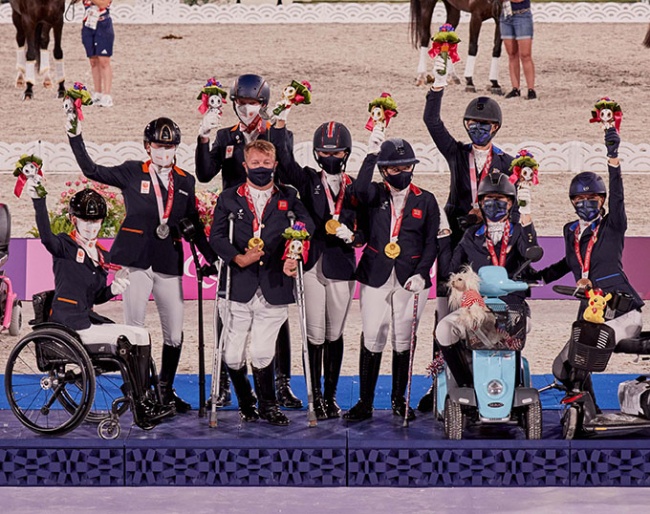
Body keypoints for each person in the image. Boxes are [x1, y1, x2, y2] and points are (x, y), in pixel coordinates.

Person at [65, 106, 217, 414]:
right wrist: (74, 134)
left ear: (177, 147)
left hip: (168, 259)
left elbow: (194, 224)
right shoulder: (132, 170)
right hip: (134, 260)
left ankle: (165, 389)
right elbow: (92, 170)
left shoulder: (186, 181)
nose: (165, 151)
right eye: (159, 146)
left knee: (174, 331)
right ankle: (138, 389)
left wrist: (212, 256)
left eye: (170, 146)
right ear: (148, 146)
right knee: (135, 328)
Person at [25, 183, 173, 428]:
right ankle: (141, 407)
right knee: (127, 339)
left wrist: (113, 289)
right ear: (74, 220)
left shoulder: (101, 255)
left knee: (142, 334)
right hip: (69, 323)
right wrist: (38, 198)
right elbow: (45, 237)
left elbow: (95, 297)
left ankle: (147, 400)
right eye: (85, 221)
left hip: (87, 317)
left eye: (96, 222)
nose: (91, 227)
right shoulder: (64, 246)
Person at [195, 73, 302, 410]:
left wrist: (281, 126)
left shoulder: (278, 131)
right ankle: (225, 381)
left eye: (252, 103)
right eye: (240, 103)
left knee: (274, 306)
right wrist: (203, 134)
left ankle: (281, 383)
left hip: (271, 224)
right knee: (229, 307)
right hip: (235, 225)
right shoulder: (226, 135)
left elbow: (289, 168)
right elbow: (204, 173)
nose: (245, 108)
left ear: (264, 104)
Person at [418, 61, 516, 411]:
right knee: (445, 312)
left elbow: (512, 208)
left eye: (485, 125)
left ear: (496, 128)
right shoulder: (456, 152)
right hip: (454, 238)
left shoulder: (507, 163)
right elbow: (432, 123)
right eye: (472, 124)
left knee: (488, 312)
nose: (478, 129)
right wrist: (438, 84)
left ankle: (489, 379)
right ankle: (437, 384)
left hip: (485, 244)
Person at [271, 120, 375, 419]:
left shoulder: (356, 187)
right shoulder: (307, 180)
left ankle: (330, 395)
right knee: (314, 334)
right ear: (316, 154)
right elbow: (285, 159)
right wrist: (280, 124)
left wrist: (354, 237)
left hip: (342, 265)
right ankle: (314, 395)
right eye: (324, 152)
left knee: (335, 333)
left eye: (337, 152)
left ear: (347, 153)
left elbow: (366, 230)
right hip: (311, 264)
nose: (331, 157)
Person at [209, 139, 315, 426]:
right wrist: (237, 258)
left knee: (261, 351)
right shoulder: (230, 198)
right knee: (231, 354)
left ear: (275, 165)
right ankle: (246, 400)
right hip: (237, 284)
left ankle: (268, 405)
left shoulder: (289, 197)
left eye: (266, 164)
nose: (261, 168)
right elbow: (216, 237)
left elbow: (306, 228)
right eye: (255, 164)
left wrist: (295, 255)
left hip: (274, 284)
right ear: (245, 165)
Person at [535, 128, 643, 392]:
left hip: (621, 310)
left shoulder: (613, 225)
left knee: (588, 350)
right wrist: (538, 277)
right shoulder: (569, 229)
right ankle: (584, 408)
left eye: (592, 199)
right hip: (589, 309)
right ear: (572, 202)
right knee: (564, 367)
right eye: (580, 199)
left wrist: (613, 159)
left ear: (602, 200)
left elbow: (619, 197)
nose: (585, 203)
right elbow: (568, 262)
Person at [343, 137, 440, 422]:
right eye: (395, 169)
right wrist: (371, 155)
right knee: (373, 334)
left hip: (412, 279)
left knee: (403, 337)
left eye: (407, 167)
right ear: (384, 171)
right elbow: (357, 190)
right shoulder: (373, 194)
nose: (402, 173)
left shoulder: (426, 199)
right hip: (376, 274)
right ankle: (365, 402)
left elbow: (431, 242)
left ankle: (400, 400)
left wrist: (423, 273)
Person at [436, 171, 537, 387]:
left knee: (520, 327)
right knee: (443, 330)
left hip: (510, 306)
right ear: (481, 203)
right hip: (476, 307)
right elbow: (451, 270)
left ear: (510, 204)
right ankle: (465, 382)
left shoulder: (519, 232)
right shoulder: (471, 235)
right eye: (489, 201)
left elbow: (530, 250)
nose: (494, 205)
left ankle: (515, 384)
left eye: (500, 201)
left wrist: (527, 216)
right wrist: (444, 237)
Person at [500, 0, 536, 100]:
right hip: (506, 14)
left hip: (522, 15)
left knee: (525, 54)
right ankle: (515, 87)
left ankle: (531, 89)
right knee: (512, 54)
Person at [81, 1, 114, 107]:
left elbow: (103, 3)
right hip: (89, 23)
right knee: (93, 60)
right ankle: (98, 92)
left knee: (104, 60)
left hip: (103, 24)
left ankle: (107, 94)